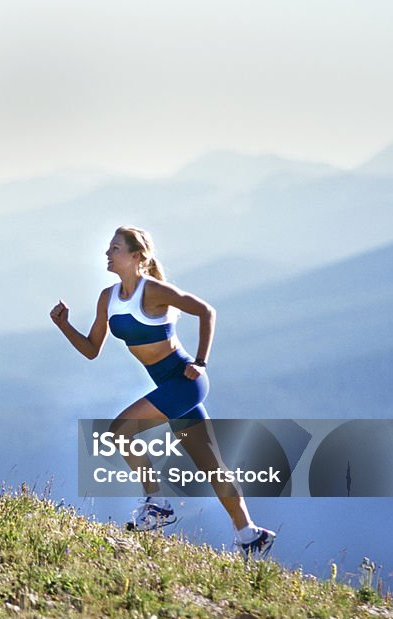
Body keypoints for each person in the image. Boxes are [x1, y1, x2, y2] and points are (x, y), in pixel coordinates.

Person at [50, 226, 275, 556]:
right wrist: (64, 324)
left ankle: (157, 503)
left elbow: (205, 311)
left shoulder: (153, 291)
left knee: (119, 431)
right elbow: (91, 349)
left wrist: (201, 361)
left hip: (186, 384)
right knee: (211, 465)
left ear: (136, 256)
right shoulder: (107, 298)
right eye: (108, 248)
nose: (107, 254)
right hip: (170, 390)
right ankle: (250, 535)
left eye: (115, 248)